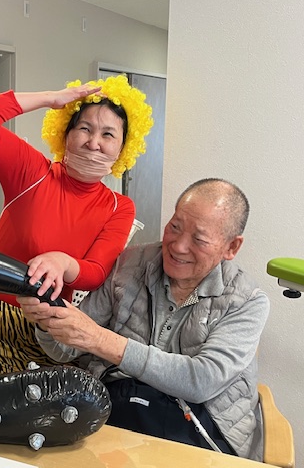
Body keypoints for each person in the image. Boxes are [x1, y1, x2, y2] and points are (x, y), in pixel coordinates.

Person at [18, 178, 269, 461]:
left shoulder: (247, 301)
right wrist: (47, 318)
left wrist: (100, 339)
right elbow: (64, 349)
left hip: (198, 427)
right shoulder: (130, 263)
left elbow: (200, 382)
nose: (178, 246)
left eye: (198, 239)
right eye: (175, 226)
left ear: (231, 247)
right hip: (116, 409)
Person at [0, 76, 153, 383]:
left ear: (123, 148)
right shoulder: (32, 171)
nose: (93, 142)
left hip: (45, 334)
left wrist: (63, 262)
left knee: (17, 415)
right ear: (66, 134)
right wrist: (51, 98)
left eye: (108, 134)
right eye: (84, 128)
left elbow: (96, 271)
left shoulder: (119, 206)